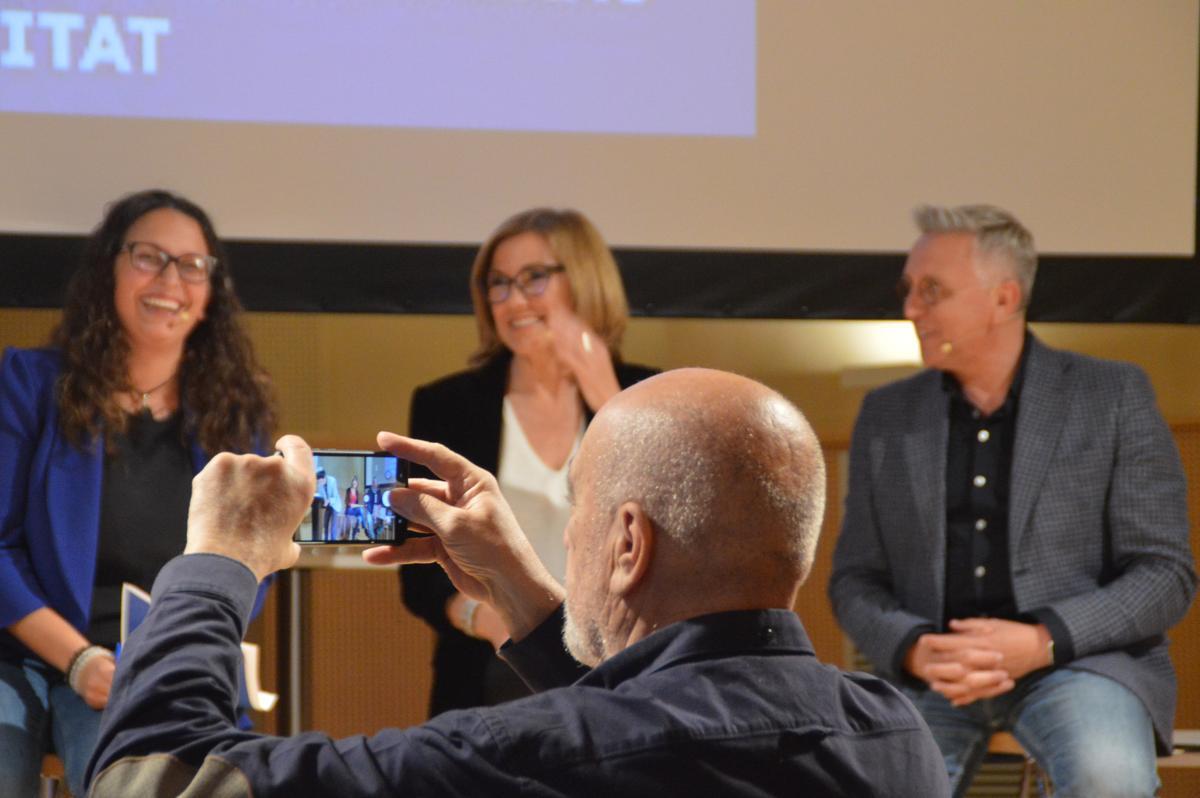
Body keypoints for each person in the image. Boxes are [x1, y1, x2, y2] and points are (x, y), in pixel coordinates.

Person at [85, 369, 950, 796]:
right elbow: (670, 722)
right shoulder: (893, 737)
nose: (567, 530)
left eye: (580, 504)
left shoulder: (528, 757)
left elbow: (148, 782)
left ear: (628, 544)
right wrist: (536, 606)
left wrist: (219, 562)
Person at [828, 204, 1196, 798]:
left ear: (1003, 299)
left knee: (1110, 780)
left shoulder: (1112, 395)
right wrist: (917, 649)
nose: (910, 308)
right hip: (933, 677)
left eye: (931, 290)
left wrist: (1042, 640)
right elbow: (854, 580)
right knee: (864, 783)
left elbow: (1165, 574)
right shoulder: (887, 415)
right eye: (909, 289)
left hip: (1077, 664)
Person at [0, 189, 276, 797]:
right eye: (149, 257)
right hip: (17, 648)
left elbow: (248, 569)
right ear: (109, 270)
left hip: (150, 667)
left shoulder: (235, 418)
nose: (170, 280)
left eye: (191, 266)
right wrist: (77, 660)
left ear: (210, 293)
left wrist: (163, 658)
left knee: (149, 784)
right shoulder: (28, 382)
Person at [401, 207, 656, 715]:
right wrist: (488, 619)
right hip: (492, 668)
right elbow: (419, 573)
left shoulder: (650, 395)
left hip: (626, 673)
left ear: (582, 280)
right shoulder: (448, 404)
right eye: (498, 284)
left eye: (533, 279)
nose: (513, 301)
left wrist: (605, 393)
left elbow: (671, 526)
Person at [314, 468, 342, 541]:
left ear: (324, 478)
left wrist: (328, 500)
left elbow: (335, 496)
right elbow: (321, 495)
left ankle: (333, 541)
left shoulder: (332, 480)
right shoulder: (320, 484)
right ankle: (325, 541)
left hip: (335, 504)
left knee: (333, 526)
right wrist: (324, 501)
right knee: (325, 524)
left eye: (320, 481)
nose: (319, 483)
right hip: (328, 505)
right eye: (318, 482)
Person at [344, 475, 366, 540]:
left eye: (355, 483)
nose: (354, 484)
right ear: (352, 483)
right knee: (360, 508)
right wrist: (361, 505)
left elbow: (356, 503)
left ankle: (354, 534)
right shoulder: (348, 490)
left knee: (359, 518)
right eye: (353, 483)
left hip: (354, 509)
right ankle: (363, 526)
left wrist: (360, 506)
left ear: (357, 484)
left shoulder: (356, 492)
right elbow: (350, 504)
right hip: (349, 509)